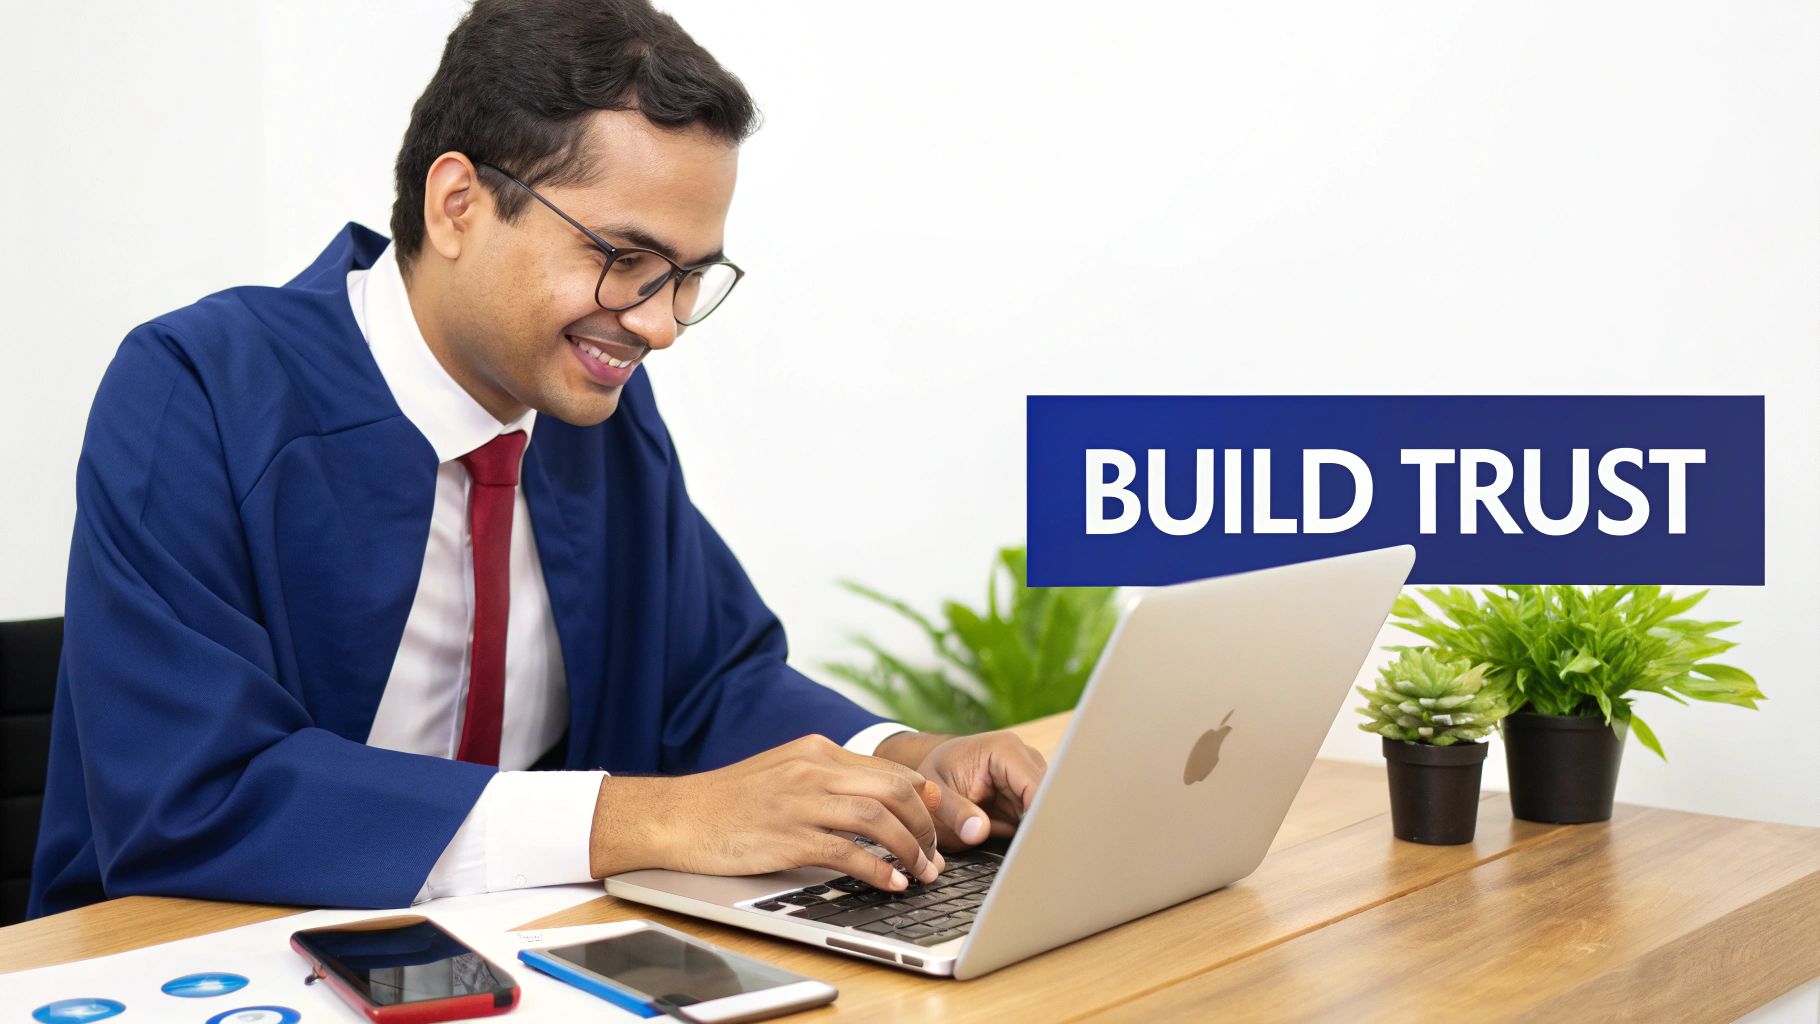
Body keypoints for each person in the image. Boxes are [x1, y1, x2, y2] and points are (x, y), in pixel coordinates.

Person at [28, 0, 1046, 918]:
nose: (659, 326)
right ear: (458, 204)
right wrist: (635, 821)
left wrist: (913, 760)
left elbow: (706, 685)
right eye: (622, 259)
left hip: (512, 952)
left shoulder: (593, 410)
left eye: (688, 276)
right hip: (196, 956)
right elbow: (198, 795)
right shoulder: (199, 390)